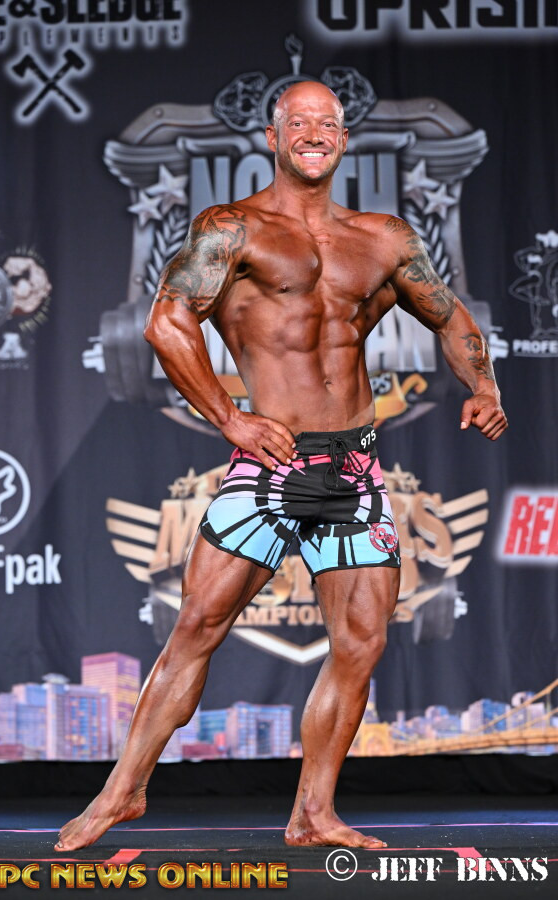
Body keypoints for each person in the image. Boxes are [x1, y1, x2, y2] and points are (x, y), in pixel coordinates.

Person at [55, 81, 507, 852]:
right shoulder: (232, 229)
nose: (314, 133)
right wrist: (230, 418)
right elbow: (167, 324)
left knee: (361, 642)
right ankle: (122, 791)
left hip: (353, 468)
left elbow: (449, 313)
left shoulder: (384, 237)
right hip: (272, 463)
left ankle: (313, 813)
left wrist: (484, 385)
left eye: (327, 123)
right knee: (197, 625)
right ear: (273, 137)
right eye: (299, 122)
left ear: (344, 138)